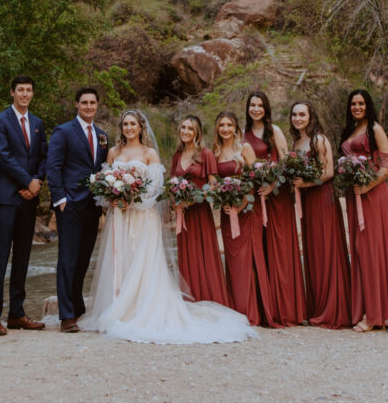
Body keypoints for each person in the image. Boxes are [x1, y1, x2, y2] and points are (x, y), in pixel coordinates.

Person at [82, 110, 254, 344]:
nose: (129, 128)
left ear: (141, 127)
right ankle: (118, 306)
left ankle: (143, 306)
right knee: (120, 258)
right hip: (120, 217)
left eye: (133, 124)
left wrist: (132, 199)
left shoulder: (150, 153)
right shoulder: (114, 152)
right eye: (125, 124)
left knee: (143, 261)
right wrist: (111, 197)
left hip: (143, 216)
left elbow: (154, 188)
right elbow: (104, 182)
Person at [0, 75, 48, 335]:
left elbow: (44, 154)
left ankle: (17, 313)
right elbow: (3, 156)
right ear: (12, 93)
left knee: (23, 255)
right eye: (20, 90)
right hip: (7, 197)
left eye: (28, 90)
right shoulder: (0, 120)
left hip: (29, 199)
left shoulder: (37, 123)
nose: (24, 94)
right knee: (0, 255)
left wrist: (37, 181)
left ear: (32, 94)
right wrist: (27, 181)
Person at [340, 88, 388, 331]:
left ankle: (376, 315)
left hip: (372, 195)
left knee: (372, 249)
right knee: (359, 249)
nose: (357, 107)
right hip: (354, 194)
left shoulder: (374, 129)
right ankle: (367, 309)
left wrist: (367, 186)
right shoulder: (350, 131)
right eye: (353, 104)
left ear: (368, 105)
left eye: (361, 103)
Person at [46, 86, 108, 332]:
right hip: (70, 204)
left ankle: (78, 305)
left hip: (93, 205)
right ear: (77, 105)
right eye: (84, 103)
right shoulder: (63, 132)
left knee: (83, 259)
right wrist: (60, 200)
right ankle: (67, 315)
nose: (89, 107)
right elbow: (53, 167)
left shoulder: (102, 135)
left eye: (93, 103)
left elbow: (101, 168)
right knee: (68, 259)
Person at [244, 90, 306, 325]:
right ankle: (264, 307)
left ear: (266, 108)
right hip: (257, 197)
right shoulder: (244, 133)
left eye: (260, 105)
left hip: (277, 196)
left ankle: (287, 310)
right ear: (248, 108)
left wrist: (272, 183)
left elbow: (284, 161)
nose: (256, 109)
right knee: (262, 250)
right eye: (252, 105)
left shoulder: (274, 131)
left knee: (280, 250)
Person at [214, 111, 281, 328]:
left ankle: (253, 312)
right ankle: (237, 309)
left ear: (236, 128)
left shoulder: (244, 148)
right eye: (221, 125)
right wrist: (222, 200)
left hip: (248, 210)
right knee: (233, 261)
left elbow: (256, 178)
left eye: (229, 125)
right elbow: (214, 182)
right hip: (227, 212)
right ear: (217, 128)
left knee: (249, 259)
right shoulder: (214, 152)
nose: (225, 129)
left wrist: (243, 202)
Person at [290, 100, 351, 329]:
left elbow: (329, 172)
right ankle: (316, 307)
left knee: (327, 249)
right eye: (295, 114)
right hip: (306, 201)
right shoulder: (296, 141)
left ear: (310, 116)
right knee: (313, 250)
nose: (298, 118)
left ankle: (333, 310)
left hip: (322, 198)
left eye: (302, 114)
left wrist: (305, 184)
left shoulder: (319, 139)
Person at [170, 115, 229, 305]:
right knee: (187, 255)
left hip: (200, 212)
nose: (186, 132)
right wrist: (175, 201)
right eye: (183, 128)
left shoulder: (206, 154)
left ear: (197, 132)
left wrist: (193, 200)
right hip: (183, 214)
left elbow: (213, 184)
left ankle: (210, 298)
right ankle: (190, 300)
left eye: (190, 129)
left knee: (204, 255)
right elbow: (171, 184)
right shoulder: (177, 156)